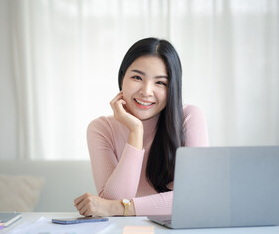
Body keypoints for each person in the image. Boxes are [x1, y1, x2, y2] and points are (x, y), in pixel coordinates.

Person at [74, 37, 209, 217]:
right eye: (137, 77)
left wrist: (120, 207)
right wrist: (136, 131)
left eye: (160, 82)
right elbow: (113, 198)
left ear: (172, 88)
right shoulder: (100, 128)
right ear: (122, 78)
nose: (146, 91)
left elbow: (198, 198)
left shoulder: (189, 117)